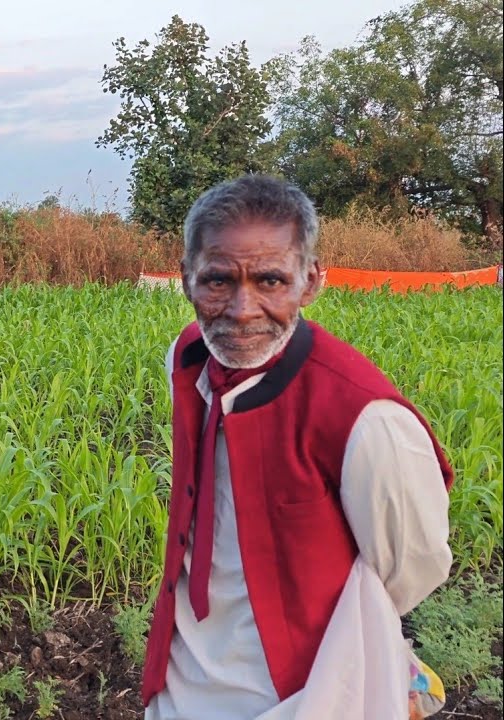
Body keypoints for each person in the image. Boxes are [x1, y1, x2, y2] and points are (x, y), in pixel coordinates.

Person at [142, 175, 455, 719]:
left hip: (303, 693)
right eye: (218, 280)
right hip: (181, 675)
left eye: (270, 280)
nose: (242, 309)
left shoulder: (365, 418)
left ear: (311, 282)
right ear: (187, 278)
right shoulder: (189, 356)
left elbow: (412, 567)